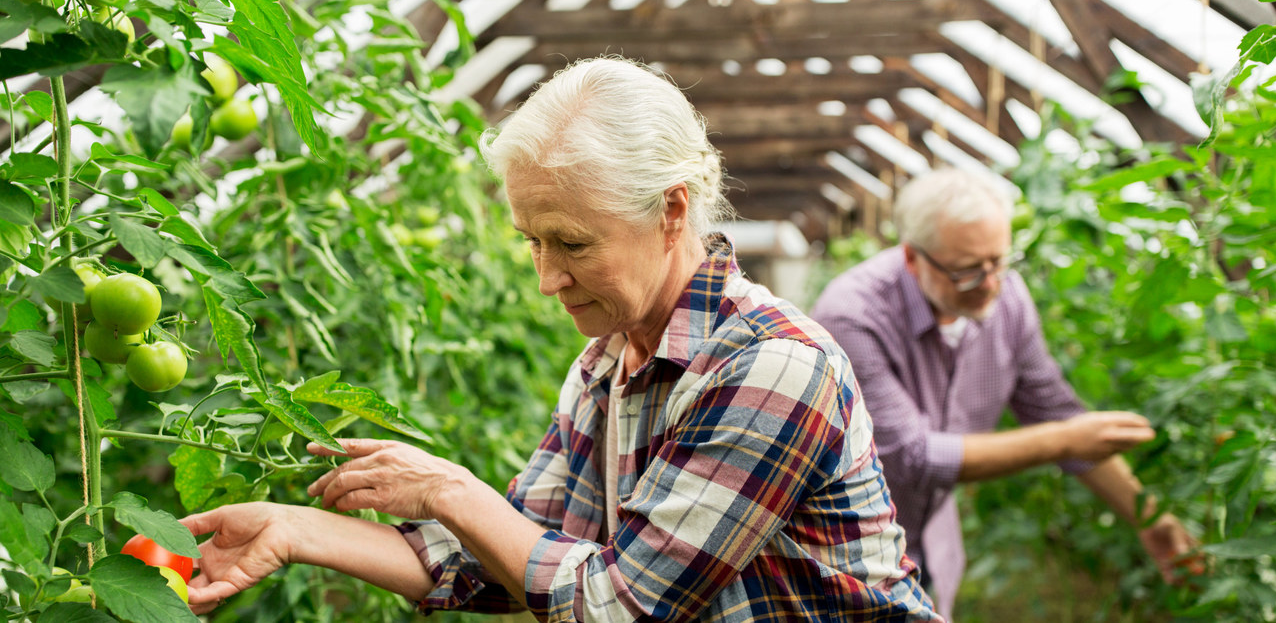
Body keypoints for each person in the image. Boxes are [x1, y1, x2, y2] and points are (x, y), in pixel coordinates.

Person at [179, 57, 943, 621]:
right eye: (531, 242)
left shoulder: (772, 367)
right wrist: (292, 528)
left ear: (673, 211)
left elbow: (620, 608)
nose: (548, 278)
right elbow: (504, 558)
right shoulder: (609, 363)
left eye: (573, 245)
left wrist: (450, 489)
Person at [810, 167, 1199, 619]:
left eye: (998, 261)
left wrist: (1151, 520)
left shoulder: (1006, 297)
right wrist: (1065, 440)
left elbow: (1053, 409)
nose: (991, 282)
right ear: (914, 259)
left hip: (929, 541)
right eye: (968, 271)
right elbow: (912, 457)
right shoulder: (853, 315)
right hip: (848, 556)